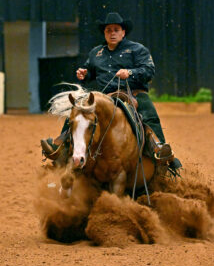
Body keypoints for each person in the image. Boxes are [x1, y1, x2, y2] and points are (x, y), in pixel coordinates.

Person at [41, 12, 181, 175]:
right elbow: (90, 72)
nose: (112, 33)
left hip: (133, 93)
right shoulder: (96, 53)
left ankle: (160, 149)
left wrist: (130, 72)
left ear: (123, 32)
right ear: (104, 33)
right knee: (78, 111)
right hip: (104, 97)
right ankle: (60, 145)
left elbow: (149, 71)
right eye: (109, 30)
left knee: (148, 113)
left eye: (116, 30)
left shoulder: (137, 49)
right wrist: (84, 74)